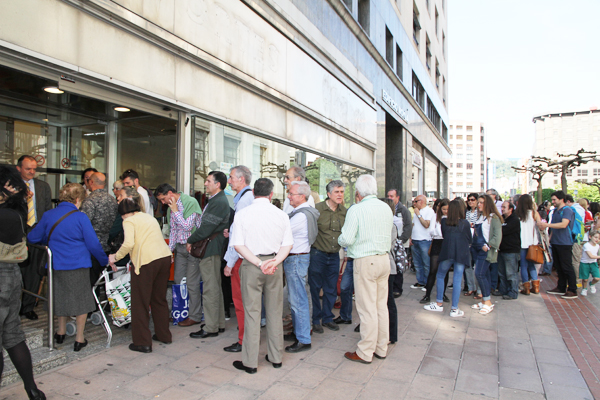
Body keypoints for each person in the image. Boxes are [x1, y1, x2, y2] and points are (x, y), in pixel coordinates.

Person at [28, 183, 108, 352]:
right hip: (78, 265)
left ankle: (60, 332)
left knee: (58, 298)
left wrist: (50, 241)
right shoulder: (80, 217)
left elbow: (33, 237)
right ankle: (79, 339)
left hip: (55, 265)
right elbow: (93, 244)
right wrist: (103, 260)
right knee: (81, 302)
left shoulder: (49, 215)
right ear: (78, 199)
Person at [229, 178, 293, 374]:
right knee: (275, 312)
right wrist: (274, 262)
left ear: (254, 192)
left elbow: (238, 244)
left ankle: (250, 362)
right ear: (271, 194)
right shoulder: (281, 214)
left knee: (252, 313)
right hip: (274, 265)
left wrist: (258, 263)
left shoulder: (242, 214)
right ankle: (276, 357)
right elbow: (288, 244)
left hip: (252, 265)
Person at [0, 166, 46, 400]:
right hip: (12, 278)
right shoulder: (16, 215)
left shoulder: (3, 214)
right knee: (13, 335)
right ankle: (32, 390)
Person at [338, 175, 392, 364]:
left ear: (358, 193)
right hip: (384, 259)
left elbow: (346, 239)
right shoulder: (386, 207)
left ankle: (365, 351)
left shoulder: (356, 209)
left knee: (366, 308)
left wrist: (340, 240)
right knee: (380, 306)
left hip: (365, 260)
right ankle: (381, 348)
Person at [108, 197, 172, 353]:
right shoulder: (148, 217)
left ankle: (142, 342)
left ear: (123, 213)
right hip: (164, 258)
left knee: (140, 302)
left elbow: (128, 243)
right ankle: (164, 335)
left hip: (146, 262)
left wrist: (114, 257)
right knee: (159, 299)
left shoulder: (128, 221)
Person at [186, 171, 231, 338]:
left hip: (211, 248)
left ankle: (211, 327)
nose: (205, 184)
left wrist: (190, 239)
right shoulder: (216, 200)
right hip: (212, 247)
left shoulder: (218, 201)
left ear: (217, 184)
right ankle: (217, 323)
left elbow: (206, 228)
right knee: (214, 287)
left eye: (208, 181)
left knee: (210, 289)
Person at [154, 183, 202, 325]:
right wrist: (170, 250)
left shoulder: (190, 202)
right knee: (178, 280)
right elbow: (173, 230)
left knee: (192, 283)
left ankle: (194, 315)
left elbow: (188, 226)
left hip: (192, 247)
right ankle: (180, 312)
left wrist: (175, 211)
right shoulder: (170, 208)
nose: (163, 202)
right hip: (180, 248)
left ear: (170, 193)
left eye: (163, 199)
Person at [284, 181, 320, 353]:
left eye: (291, 193)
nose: (288, 196)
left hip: (296, 259)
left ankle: (303, 339)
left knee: (298, 300)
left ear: (302, 196)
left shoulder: (300, 216)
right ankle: (299, 333)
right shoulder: (303, 213)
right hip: (299, 259)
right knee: (298, 298)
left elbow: (281, 234)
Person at [15, 155, 53, 321]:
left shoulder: (42, 186)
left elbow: (47, 210)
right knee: (17, 271)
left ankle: (28, 306)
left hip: (37, 233)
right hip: (16, 233)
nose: (32, 172)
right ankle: (14, 306)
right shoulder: (11, 186)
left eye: (34, 169)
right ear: (18, 169)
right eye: (28, 168)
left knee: (34, 273)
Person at [222, 166, 254, 353]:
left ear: (242, 179)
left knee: (241, 301)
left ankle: (244, 340)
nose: (230, 180)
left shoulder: (243, 201)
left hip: (242, 258)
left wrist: (230, 262)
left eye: (232, 177)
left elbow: (238, 235)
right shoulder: (248, 198)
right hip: (251, 256)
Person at [424, 199, 472, 317]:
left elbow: (445, 235)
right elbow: (469, 239)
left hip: (447, 252)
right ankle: (454, 308)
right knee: (457, 279)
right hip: (461, 253)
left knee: (440, 275)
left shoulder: (445, 221)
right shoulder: (465, 223)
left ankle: (439, 303)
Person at [310, 180, 347, 332]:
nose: (340, 195)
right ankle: (315, 319)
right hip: (318, 254)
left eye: (342, 192)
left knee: (331, 289)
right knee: (315, 288)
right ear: (329, 194)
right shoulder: (317, 210)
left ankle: (327, 317)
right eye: (337, 192)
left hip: (333, 256)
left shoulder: (344, 212)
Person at [538, 190, 578, 299]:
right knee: (559, 266)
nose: (553, 202)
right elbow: (554, 228)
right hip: (556, 241)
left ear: (561, 199)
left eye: (554, 199)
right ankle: (561, 287)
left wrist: (547, 225)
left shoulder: (567, 210)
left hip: (565, 242)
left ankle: (572, 289)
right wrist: (550, 239)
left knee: (567, 266)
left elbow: (564, 224)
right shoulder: (556, 211)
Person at [81, 172, 118, 285]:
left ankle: (92, 303)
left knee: (91, 282)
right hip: (109, 247)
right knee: (106, 282)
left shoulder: (89, 201)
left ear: (91, 182)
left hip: (92, 247)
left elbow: (83, 225)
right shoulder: (113, 200)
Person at [471, 194, 502, 315]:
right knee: (484, 274)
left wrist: (488, 246)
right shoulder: (481, 217)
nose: (479, 204)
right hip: (477, 249)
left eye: (481, 202)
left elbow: (497, 236)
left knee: (479, 273)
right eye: (478, 202)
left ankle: (487, 301)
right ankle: (485, 300)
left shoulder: (493, 218)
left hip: (485, 250)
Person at [420, 199, 450, 304]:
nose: (446, 211)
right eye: (444, 209)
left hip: (446, 243)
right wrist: (441, 232)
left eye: (447, 209)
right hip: (437, 243)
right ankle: (427, 294)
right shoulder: (436, 217)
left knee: (445, 271)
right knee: (433, 270)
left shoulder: (451, 218)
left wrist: (439, 231)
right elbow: (432, 231)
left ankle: (442, 293)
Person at [386, 189, 412, 298]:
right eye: (388, 196)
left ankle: (397, 288)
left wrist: (401, 240)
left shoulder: (404, 210)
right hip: (390, 242)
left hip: (400, 243)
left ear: (397, 197)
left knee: (399, 266)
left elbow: (408, 226)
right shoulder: (386, 208)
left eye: (392, 196)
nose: (390, 198)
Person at [380, 198, 399, 344]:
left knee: (388, 301)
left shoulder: (390, 226)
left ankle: (392, 334)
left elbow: (386, 246)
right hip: (386, 265)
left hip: (388, 266)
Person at [516, 194, 541, 295]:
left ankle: (525, 287)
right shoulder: (534, 213)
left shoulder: (518, 214)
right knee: (531, 265)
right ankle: (535, 287)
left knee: (523, 265)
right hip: (533, 243)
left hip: (521, 243)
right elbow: (540, 225)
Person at [410, 195, 435, 289]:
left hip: (424, 240)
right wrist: (410, 237)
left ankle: (428, 283)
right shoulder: (418, 211)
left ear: (421, 201)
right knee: (417, 263)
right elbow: (414, 225)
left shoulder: (429, 211)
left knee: (426, 263)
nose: (414, 203)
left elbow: (426, 225)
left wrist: (418, 215)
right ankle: (420, 281)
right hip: (415, 240)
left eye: (415, 201)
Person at [497, 201, 521, 299]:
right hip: (502, 249)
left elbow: (503, 231)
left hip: (511, 250)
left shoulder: (514, 220)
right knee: (502, 272)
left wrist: (498, 229)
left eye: (504, 207)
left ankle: (513, 292)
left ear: (511, 209)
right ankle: (503, 289)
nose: (502, 209)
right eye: (502, 207)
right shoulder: (502, 219)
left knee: (511, 273)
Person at [464, 193, 479, 297]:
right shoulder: (467, 212)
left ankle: (479, 289)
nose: (470, 202)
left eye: (473, 200)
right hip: (467, 240)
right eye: (469, 200)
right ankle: (471, 287)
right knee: (468, 265)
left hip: (477, 240)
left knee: (478, 266)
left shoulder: (480, 213)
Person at [580, 230, 600, 296]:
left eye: (599, 238)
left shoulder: (597, 246)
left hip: (593, 263)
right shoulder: (586, 245)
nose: (597, 239)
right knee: (585, 279)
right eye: (595, 237)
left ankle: (592, 284)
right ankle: (584, 289)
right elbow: (591, 256)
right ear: (590, 237)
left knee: (597, 278)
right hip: (585, 263)